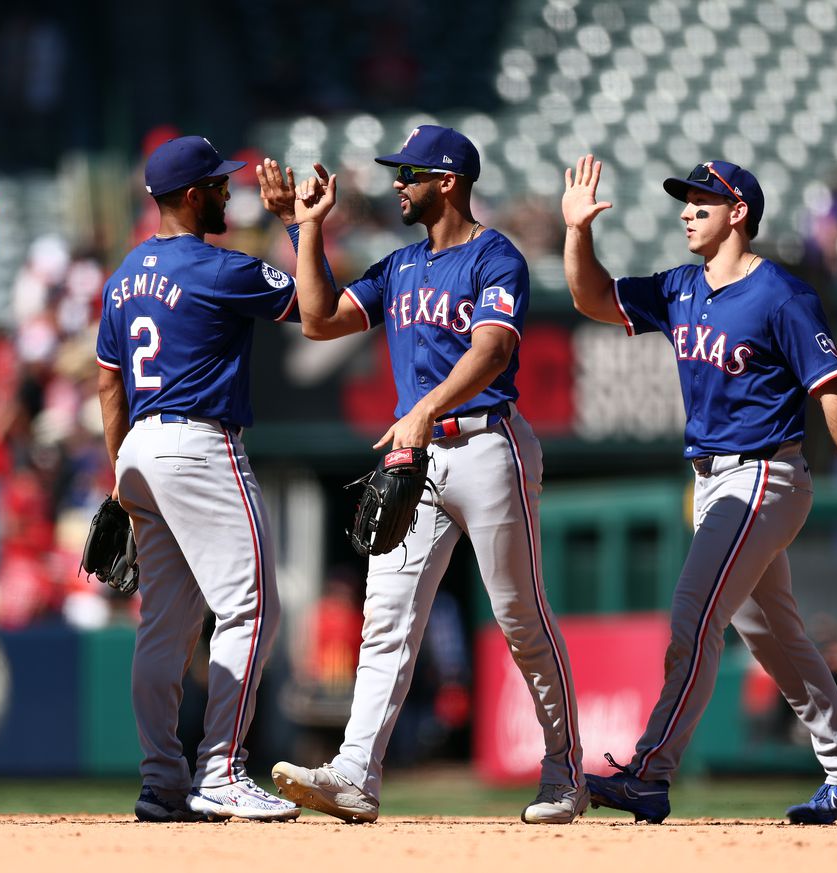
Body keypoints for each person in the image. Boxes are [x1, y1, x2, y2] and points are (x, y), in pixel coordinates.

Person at [259, 125, 586, 824]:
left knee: (519, 617)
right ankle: (355, 772)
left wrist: (426, 408)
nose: (397, 184)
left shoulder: (496, 257)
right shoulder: (398, 265)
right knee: (385, 619)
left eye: (410, 173)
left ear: (448, 181)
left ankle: (563, 769)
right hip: (418, 458)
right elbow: (318, 319)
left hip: (488, 445)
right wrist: (304, 228)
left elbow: (493, 351)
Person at [560, 154, 837, 825]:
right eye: (685, 200)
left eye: (701, 202)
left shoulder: (780, 294)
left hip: (765, 472)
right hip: (712, 481)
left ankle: (652, 772)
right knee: (776, 636)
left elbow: (833, 390)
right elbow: (591, 299)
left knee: (693, 615)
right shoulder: (681, 286)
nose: (686, 210)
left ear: (738, 212)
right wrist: (577, 233)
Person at [95, 135, 301, 823]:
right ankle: (221, 769)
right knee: (254, 606)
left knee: (165, 625)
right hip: (199, 442)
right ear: (190, 195)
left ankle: (161, 779)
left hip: (140, 447)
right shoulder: (218, 267)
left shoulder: (123, 276)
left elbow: (106, 380)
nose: (227, 192)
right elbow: (316, 308)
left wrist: (121, 472)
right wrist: (299, 225)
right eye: (217, 184)